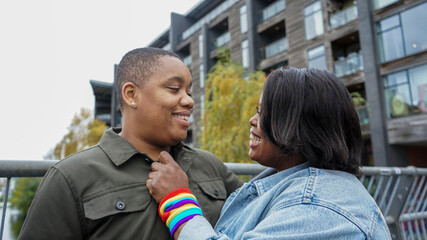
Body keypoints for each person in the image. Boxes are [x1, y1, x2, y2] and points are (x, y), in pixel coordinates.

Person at [19, 47, 242, 239]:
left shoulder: (212, 165)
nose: (189, 100)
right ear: (131, 94)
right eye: (174, 89)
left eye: (189, 91)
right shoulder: (70, 177)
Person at [146, 67, 392, 239]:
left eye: (264, 112)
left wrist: (177, 201)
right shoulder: (295, 184)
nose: (253, 120)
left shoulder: (319, 207)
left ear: (301, 125)